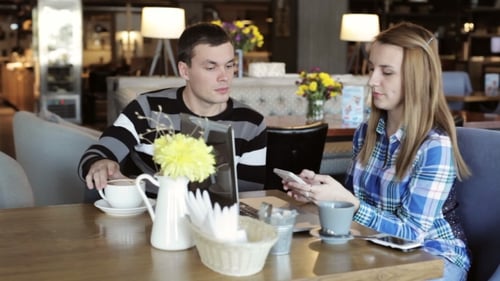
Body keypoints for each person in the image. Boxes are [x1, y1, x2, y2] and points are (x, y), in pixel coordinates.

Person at [284, 22, 471, 281]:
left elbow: (412, 233)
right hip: (378, 250)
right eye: (372, 68)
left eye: (387, 72)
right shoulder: (367, 132)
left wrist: (350, 204)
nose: (372, 80)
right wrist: (320, 194)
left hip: (434, 259)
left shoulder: (434, 146)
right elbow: (359, 204)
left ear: (416, 78)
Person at [78, 22, 267, 195]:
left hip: (212, 225)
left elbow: (248, 196)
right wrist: (100, 164)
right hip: (147, 218)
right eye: (211, 68)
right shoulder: (148, 108)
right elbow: (97, 154)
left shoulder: (251, 123)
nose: (224, 76)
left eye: (229, 65)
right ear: (185, 71)